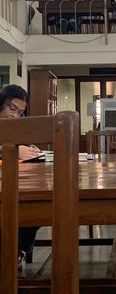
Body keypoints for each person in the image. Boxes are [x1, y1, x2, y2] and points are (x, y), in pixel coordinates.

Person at [0, 84, 40, 270]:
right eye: (12, 109)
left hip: (12, 184)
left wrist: (28, 150)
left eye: (20, 112)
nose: (15, 116)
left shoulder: (14, 130)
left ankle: (17, 250)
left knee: (36, 203)